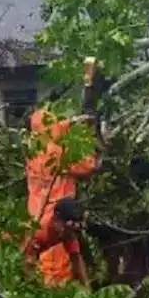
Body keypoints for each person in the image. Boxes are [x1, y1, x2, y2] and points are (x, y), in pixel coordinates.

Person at [25, 107, 98, 286]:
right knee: (56, 272)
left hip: (36, 214)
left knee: (44, 264)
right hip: (57, 216)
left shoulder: (32, 151)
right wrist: (81, 135)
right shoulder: (59, 153)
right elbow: (89, 165)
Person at [22, 197, 90, 288]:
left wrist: (87, 288)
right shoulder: (40, 232)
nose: (69, 233)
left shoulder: (67, 233)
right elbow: (27, 263)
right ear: (56, 220)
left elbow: (76, 259)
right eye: (66, 228)